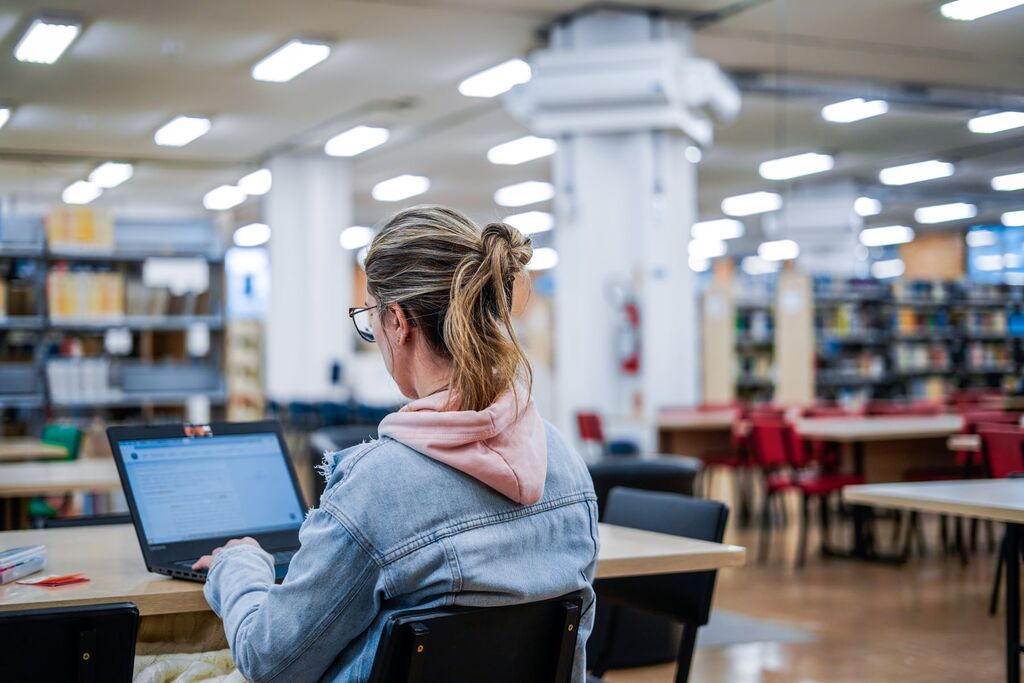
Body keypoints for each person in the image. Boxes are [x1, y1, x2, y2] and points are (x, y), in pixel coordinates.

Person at [194, 205, 599, 682]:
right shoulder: (565, 462)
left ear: (399, 322)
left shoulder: (377, 488)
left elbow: (269, 659)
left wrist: (238, 566)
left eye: (371, 318)